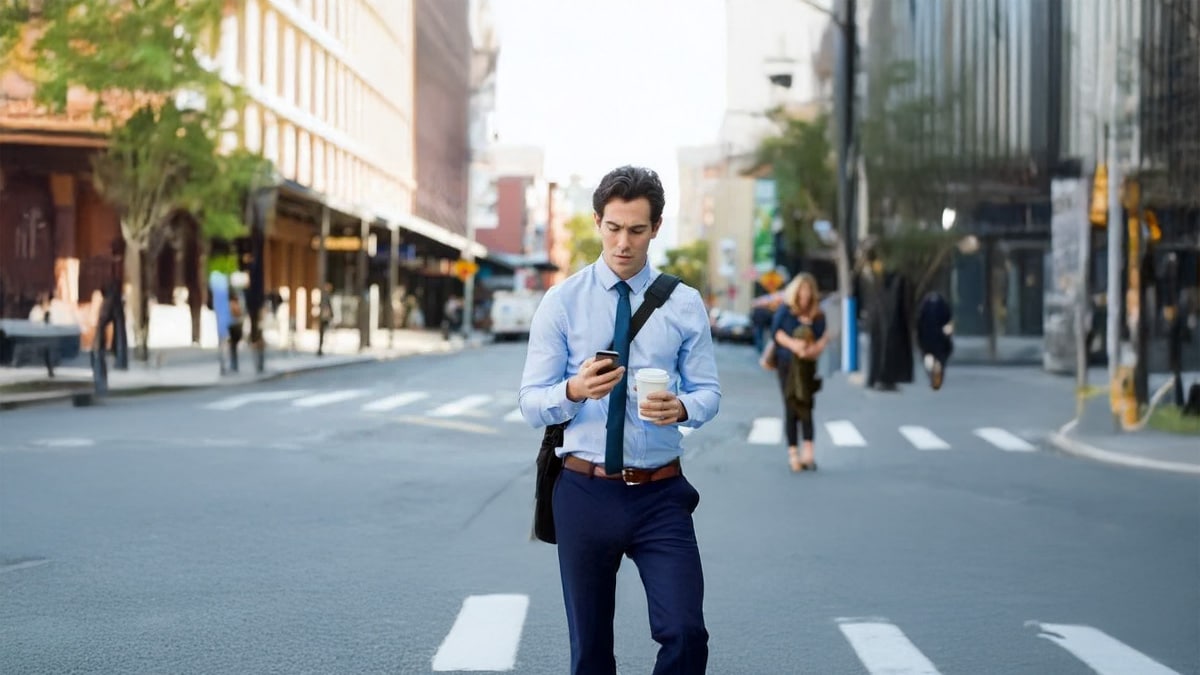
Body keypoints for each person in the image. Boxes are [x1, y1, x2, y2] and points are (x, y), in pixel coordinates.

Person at [518, 165, 721, 675]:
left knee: (686, 633)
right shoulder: (562, 302)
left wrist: (683, 409)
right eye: (613, 228)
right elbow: (530, 401)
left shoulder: (684, 303)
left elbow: (708, 392)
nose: (623, 242)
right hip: (586, 491)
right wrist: (573, 390)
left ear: (656, 228)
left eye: (636, 229)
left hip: (660, 495)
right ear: (596, 222)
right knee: (590, 653)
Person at [760, 273, 828, 472]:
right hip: (787, 364)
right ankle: (793, 455)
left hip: (808, 365)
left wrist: (811, 349)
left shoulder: (817, 313)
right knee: (791, 404)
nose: (805, 294)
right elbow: (777, 332)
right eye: (801, 289)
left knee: (806, 405)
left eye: (808, 290)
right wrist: (794, 345)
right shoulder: (786, 310)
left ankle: (809, 454)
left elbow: (823, 336)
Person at [916, 291, 954, 390]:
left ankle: (933, 378)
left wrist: (920, 339)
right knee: (938, 363)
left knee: (930, 363)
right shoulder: (943, 306)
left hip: (928, 343)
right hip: (940, 342)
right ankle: (936, 378)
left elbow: (919, 324)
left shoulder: (925, 307)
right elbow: (948, 323)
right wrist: (947, 336)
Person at [314, 283, 333, 356]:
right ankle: (320, 349)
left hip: (323, 316)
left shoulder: (324, 296)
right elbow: (327, 306)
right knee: (322, 332)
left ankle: (320, 348)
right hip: (324, 316)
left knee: (322, 332)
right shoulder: (325, 296)